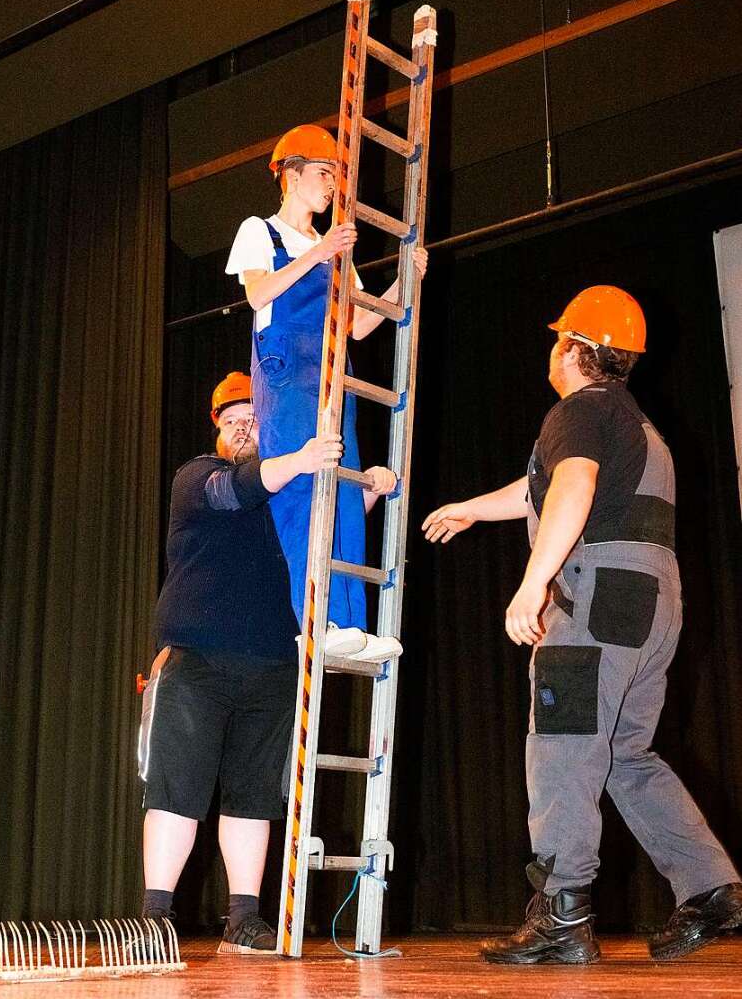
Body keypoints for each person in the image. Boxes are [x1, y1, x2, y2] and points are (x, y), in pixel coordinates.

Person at [423, 286, 742, 964]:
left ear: (572, 348)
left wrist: (533, 582)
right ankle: (712, 887)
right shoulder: (633, 422)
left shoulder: (576, 411)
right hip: (654, 605)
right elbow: (540, 484)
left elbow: (571, 486)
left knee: (562, 748)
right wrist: (472, 508)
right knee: (628, 756)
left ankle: (562, 914)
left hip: (596, 601)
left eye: (555, 338)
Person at [138, 372, 397, 954]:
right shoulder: (198, 477)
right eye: (233, 422)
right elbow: (236, 491)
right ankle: (155, 916)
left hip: (274, 663)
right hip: (197, 663)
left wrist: (368, 492)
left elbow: (327, 528)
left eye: (254, 421)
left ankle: (243, 918)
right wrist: (302, 458)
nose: (244, 430)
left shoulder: (287, 494)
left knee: (255, 796)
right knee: (176, 791)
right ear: (218, 432)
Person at [226, 123, 427, 661]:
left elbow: (358, 326)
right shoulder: (260, 231)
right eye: (323, 172)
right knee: (301, 490)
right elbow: (258, 294)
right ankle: (316, 620)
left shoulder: (331, 246)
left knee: (339, 490)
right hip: (288, 376)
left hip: (335, 378)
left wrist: (405, 280)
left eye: (335, 175)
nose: (332, 185)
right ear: (290, 176)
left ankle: (350, 623)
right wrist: (319, 256)